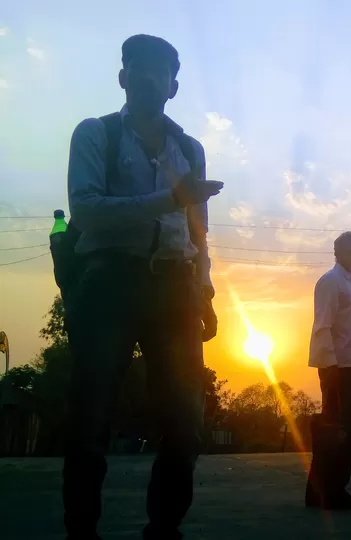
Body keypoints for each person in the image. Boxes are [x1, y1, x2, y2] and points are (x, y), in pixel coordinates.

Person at [63, 35, 224, 539]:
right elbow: (86, 210)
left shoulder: (190, 149)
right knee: (91, 418)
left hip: (177, 289)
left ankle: (164, 527)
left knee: (185, 423)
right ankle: (82, 530)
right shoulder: (96, 134)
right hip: (109, 280)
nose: (152, 76)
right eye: (141, 66)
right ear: (123, 78)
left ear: (174, 86)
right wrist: (168, 198)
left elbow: (198, 230)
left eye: (162, 70)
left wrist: (206, 290)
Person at [305, 231, 351, 511]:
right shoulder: (331, 282)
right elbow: (323, 327)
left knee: (339, 431)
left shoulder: (349, 284)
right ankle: (332, 493)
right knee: (338, 432)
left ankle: (320, 493)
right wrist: (330, 366)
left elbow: (350, 331)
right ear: (338, 252)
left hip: (348, 366)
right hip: (336, 369)